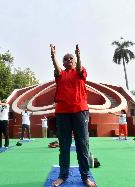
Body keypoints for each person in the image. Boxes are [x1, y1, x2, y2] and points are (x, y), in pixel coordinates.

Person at [50, 44, 96, 187]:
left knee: (82, 144)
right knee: (64, 146)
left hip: (80, 111)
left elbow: (80, 67)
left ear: (75, 62)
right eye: (66, 59)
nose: (69, 60)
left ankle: (85, 177)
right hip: (63, 113)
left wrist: (79, 56)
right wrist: (53, 56)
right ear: (63, 63)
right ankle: (63, 176)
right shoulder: (61, 74)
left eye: (71, 58)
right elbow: (57, 70)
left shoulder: (80, 72)